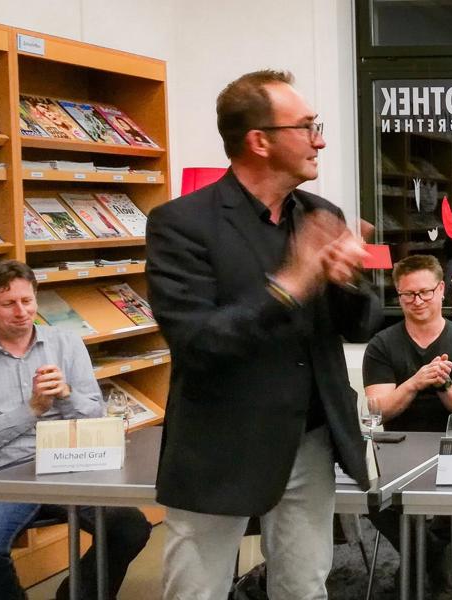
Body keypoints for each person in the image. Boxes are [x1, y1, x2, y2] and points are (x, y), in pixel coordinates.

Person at [146, 69, 382, 600]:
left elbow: (363, 325)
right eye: (306, 126)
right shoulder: (181, 224)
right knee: (196, 592)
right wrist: (290, 286)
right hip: (219, 447)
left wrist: (345, 281)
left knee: (304, 588)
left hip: (311, 441)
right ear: (259, 140)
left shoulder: (322, 215)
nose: (319, 139)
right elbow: (197, 342)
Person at [0, 259, 151, 600]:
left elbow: (96, 415)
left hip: (68, 466)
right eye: (8, 304)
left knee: (131, 527)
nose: (22, 311)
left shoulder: (66, 343)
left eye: (27, 300)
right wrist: (31, 410)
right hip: (1, 478)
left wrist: (66, 395)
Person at [362, 253, 452, 590]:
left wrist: (444, 383)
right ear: (398, 296)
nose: (417, 301)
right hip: (397, 454)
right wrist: (416, 381)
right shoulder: (381, 345)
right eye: (408, 295)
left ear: (441, 290)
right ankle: (435, 563)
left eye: (425, 292)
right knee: (374, 500)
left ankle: (418, 565)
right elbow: (379, 409)